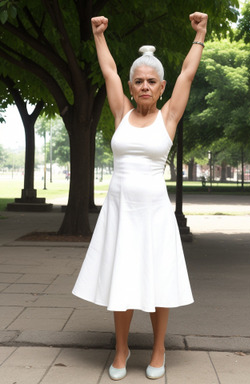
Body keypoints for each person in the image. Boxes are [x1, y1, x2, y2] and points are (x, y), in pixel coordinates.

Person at [73, 12, 208, 380]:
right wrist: (98, 36)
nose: (144, 86)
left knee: (157, 279)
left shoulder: (168, 118)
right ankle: (121, 349)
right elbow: (109, 73)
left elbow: (188, 74)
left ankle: (159, 348)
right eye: (138, 81)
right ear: (131, 88)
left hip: (153, 213)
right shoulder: (120, 113)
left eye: (151, 81)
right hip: (120, 210)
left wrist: (200, 34)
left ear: (161, 87)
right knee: (123, 279)